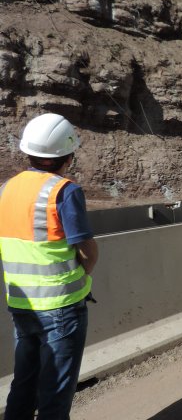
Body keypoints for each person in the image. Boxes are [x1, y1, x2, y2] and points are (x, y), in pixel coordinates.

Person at [0, 113, 98, 419]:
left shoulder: (7, 188)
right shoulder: (64, 191)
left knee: (24, 386)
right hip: (61, 307)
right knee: (55, 394)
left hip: (21, 304)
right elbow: (87, 248)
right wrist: (83, 273)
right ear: (67, 156)